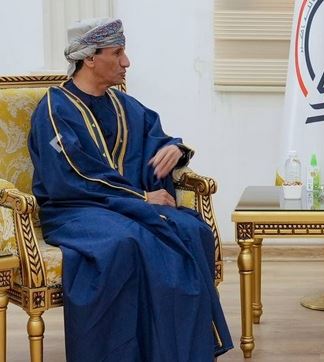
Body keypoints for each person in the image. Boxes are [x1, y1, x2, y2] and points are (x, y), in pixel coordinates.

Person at [28, 18, 233, 361]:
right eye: (117, 52)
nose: (127, 62)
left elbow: (158, 138)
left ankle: (175, 352)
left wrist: (175, 150)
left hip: (126, 208)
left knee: (191, 229)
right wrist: (141, 197)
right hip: (75, 210)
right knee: (125, 243)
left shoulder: (124, 106)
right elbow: (71, 174)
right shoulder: (54, 110)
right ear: (89, 58)